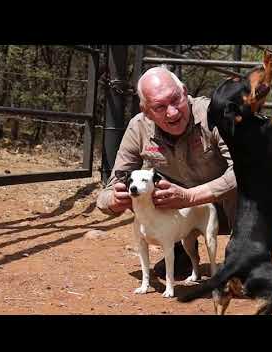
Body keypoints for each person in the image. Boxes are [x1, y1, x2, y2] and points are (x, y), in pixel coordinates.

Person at [96, 66, 237, 278]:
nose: (172, 112)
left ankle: (244, 253)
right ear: (146, 111)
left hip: (227, 210)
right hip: (177, 217)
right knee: (144, 187)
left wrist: (190, 197)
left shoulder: (214, 114)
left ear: (185, 91)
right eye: (160, 107)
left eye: (175, 100)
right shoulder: (138, 127)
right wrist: (115, 200)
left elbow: (244, 172)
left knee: (252, 189)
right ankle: (178, 250)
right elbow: (107, 192)